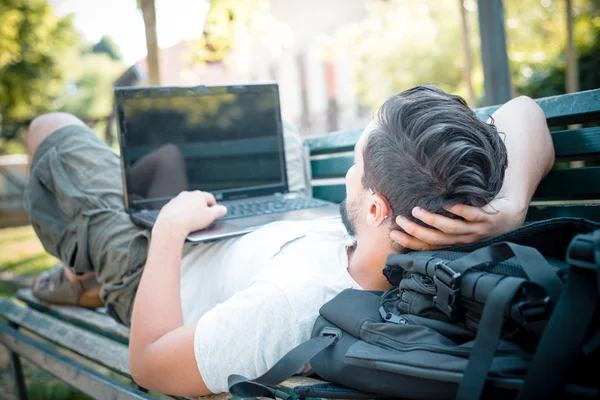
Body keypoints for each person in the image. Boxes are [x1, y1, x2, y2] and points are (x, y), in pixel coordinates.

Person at [24, 86, 554, 397]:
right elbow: (524, 109)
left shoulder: (284, 308)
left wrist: (166, 229)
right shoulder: (447, 213)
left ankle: (83, 278)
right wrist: (507, 208)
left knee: (51, 130)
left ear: (374, 207)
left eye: (355, 164)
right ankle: (82, 269)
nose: (351, 169)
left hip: (153, 269)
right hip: (250, 234)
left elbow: (149, 364)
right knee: (233, 136)